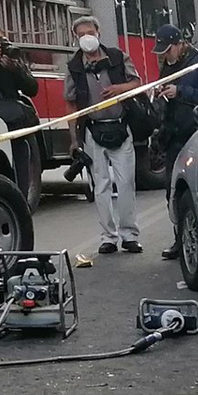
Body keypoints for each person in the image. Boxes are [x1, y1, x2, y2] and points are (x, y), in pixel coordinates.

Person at [64, 15, 143, 254]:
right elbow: (70, 104)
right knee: (100, 185)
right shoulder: (74, 66)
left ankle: (130, 235)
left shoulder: (118, 57)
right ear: (75, 38)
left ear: (99, 32)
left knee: (127, 182)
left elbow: (137, 83)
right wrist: (74, 139)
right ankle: (108, 237)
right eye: (81, 35)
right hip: (93, 131)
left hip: (120, 126)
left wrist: (119, 89)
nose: (86, 38)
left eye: (90, 32)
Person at [149, 23, 198, 259]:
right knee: (173, 192)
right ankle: (180, 239)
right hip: (173, 137)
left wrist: (180, 92)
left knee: (196, 193)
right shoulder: (168, 65)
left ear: (180, 44)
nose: (165, 56)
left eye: (167, 50)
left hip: (196, 135)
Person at [0, 19, 43, 204]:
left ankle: (22, 209)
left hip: (15, 127)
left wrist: (16, 69)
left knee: (21, 178)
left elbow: (32, 89)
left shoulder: (11, 57)